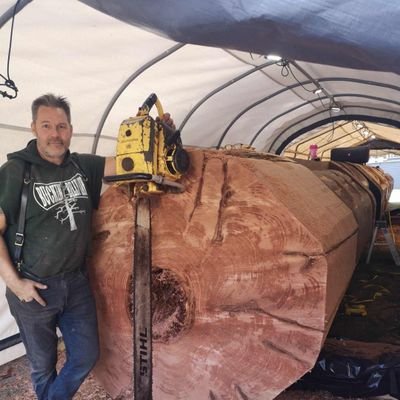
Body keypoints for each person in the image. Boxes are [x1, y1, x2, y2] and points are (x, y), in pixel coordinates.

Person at [0, 93, 173, 399]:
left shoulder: (83, 166)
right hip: (33, 289)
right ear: (33, 128)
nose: (55, 134)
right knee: (43, 366)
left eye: (62, 126)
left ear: (71, 129)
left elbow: (132, 164)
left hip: (75, 282)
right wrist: (15, 284)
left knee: (85, 355)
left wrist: (163, 137)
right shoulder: (17, 172)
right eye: (47, 126)